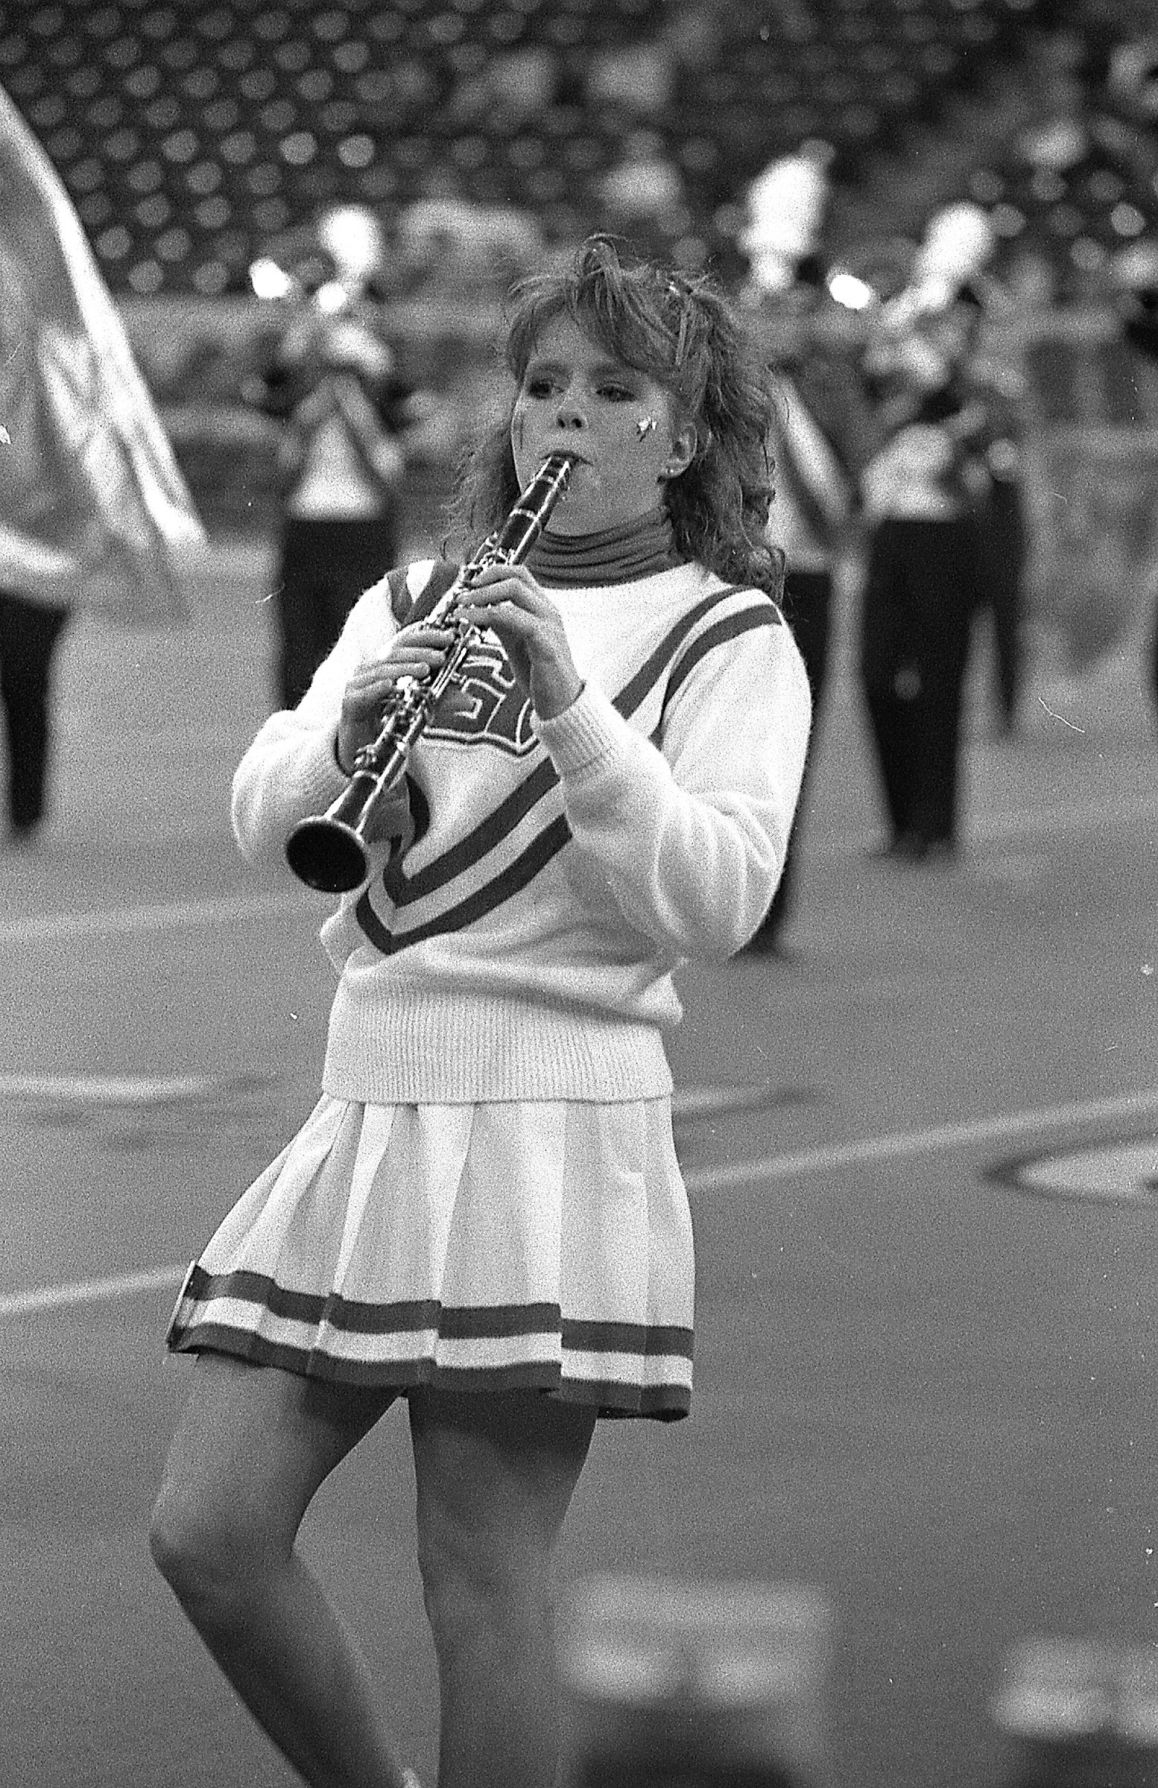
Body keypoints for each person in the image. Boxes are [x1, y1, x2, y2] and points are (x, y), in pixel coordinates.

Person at [149, 235, 812, 1788]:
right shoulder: (411, 596)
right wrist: (350, 742)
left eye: (613, 388)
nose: (565, 417)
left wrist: (574, 711)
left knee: (480, 1588)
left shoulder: (729, 636)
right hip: (370, 1104)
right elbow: (265, 818)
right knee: (210, 1535)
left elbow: (716, 899)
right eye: (541, 387)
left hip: (552, 1121)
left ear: (686, 432)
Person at [0, 83, 201, 845]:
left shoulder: (57, 388)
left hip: (41, 552)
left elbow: (70, 469)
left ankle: (25, 807)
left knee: (23, 679)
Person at [249, 204, 426, 710]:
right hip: (306, 520)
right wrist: (302, 347)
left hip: (365, 522)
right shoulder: (301, 351)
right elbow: (265, 398)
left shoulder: (379, 356)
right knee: (299, 652)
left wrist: (371, 367)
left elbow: (410, 413)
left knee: (369, 650)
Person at [857, 288, 990, 862]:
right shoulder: (888, 381)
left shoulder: (975, 388)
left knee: (940, 682)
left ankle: (936, 823)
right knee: (877, 676)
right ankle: (901, 819)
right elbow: (862, 416)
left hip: (947, 539)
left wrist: (945, 382)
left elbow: (988, 442)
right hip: (890, 536)